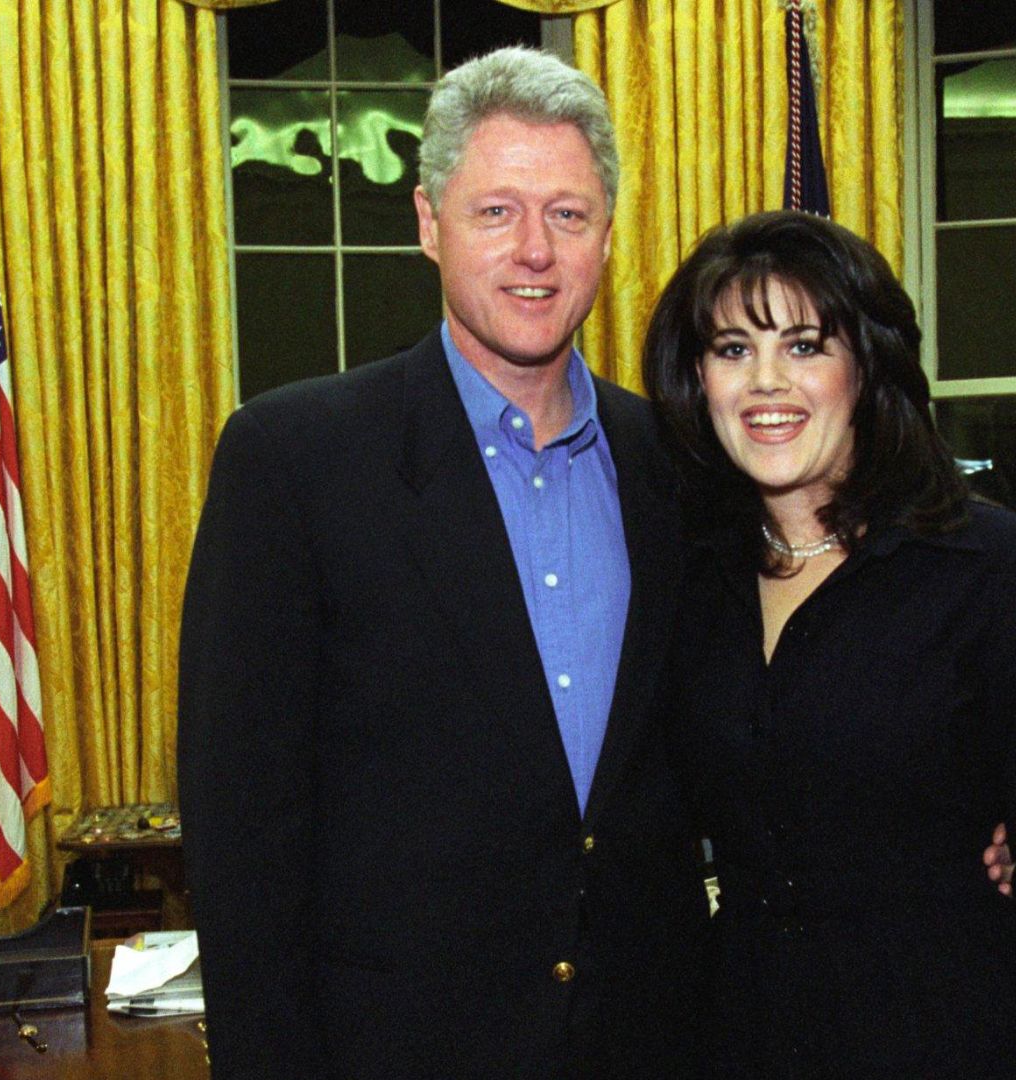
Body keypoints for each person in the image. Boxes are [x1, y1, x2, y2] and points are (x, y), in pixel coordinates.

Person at [178, 48, 708, 1078]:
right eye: (495, 211)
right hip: (399, 1047)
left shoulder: (677, 467)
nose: (535, 252)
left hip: (648, 1038)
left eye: (568, 214)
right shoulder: (292, 460)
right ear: (428, 224)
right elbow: (242, 833)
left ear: (608, 233)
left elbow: (743, 724)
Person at [643, 210, 1016, 1077]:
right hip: (740, 1035)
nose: (766, 383)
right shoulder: (682, 580)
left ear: (865, 369)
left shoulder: (991, 568)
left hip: (948, 1032)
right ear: (696, 378)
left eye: (803, 347)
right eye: (731, 350)